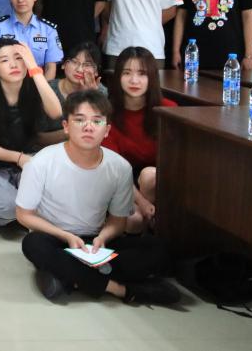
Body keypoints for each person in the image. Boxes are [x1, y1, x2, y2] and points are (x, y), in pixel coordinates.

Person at [17, 90, 179, 306]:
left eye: (97, 121)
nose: (88, 127)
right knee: (33, 244)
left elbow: (118, 221)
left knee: (159, 250)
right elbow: (24, 215)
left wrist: (103, 237)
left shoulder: (120, 167)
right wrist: (65, 235)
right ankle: (121, 289)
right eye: (79, 120)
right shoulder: (41, 162)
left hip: (94, 242)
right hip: (55, 238)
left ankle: (70, 278)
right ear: (66, 126)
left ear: (107, 130)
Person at [0, 38, 64, 229]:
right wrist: (19, 158)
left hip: (27, 161)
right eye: (4, 60)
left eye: (19, 58)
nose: (13, 64)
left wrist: (34, 69)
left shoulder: (35, 86)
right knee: (9, 210)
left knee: (49, 205)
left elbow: (56, 112)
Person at [104, 46, 176, 234]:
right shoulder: (107, 112)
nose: (134, 80)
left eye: (142, 74)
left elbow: (176, 161)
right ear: (118, 77)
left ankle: (154, 230)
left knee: (149, 175)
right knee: (134, 219)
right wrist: (142, 203)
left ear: (152, 77)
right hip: (119, 182)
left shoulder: (168, 109)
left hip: (157, 182)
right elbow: (115, 171)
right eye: (127, 73)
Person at [0, 0, 62, 79]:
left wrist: (42, 88)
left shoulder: (48, 29)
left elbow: (50, 68)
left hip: (39, 84)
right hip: (6, 84)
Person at [49, 41, 107, 116]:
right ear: (63, 64)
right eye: (74, 62)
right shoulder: (49, 88)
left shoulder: (101, 92)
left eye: (87, 65)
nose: (79, 69)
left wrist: (91, 96)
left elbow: (99, 121)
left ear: (96, 71)